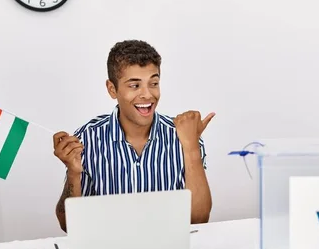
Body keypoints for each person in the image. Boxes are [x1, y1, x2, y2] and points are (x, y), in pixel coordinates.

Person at [52, 40, 213, 232]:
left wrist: (191, 147)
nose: (147, 94)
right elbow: (67, 226)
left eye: (153, 83)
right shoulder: (87, 138)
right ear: (112, 89)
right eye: (135, 85)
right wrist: (73, 172)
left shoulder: (184, 135)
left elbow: (199, 219)